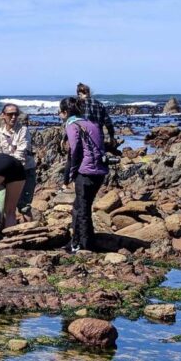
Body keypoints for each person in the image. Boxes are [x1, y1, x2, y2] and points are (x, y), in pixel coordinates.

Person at [60, 96, 108, 253]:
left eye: (60, 112)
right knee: (81, 207)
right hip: (100, 171)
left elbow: (75, 150)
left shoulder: (72, 124)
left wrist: (72, 173)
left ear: (65, 112)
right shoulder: (90, 123)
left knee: (82, 209)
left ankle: (84, 246)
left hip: (86, 172)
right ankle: (79, 241)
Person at [0, 103, 36, 218]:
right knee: (6, 204)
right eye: (10, 114)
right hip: (8, 172)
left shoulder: (23, 130)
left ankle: (31, 232)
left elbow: (21, 153)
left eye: (16, 114)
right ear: (3, 115)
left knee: (24, 205)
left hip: (25, 170)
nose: (13, 117)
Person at [75, 83, 117, 149]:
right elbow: (108, 122)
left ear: (79, 94)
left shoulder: (78, 105)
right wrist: (112, 136)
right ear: (88, 92)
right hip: (98, 136)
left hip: (84, 137)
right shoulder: (100, 104)